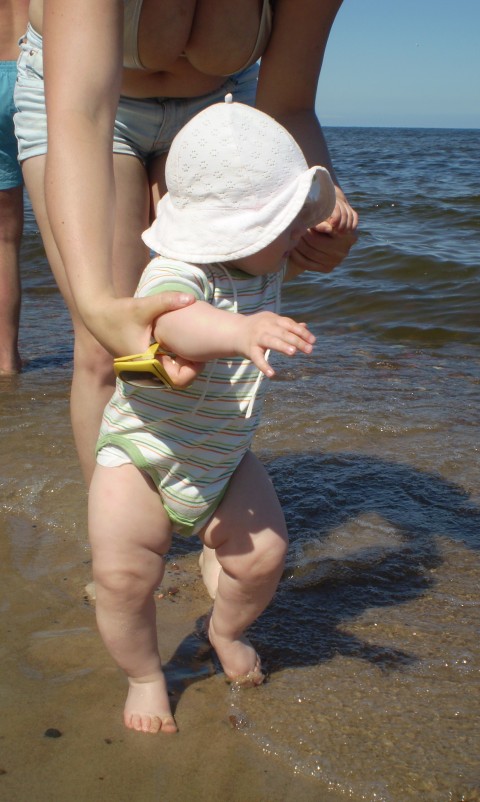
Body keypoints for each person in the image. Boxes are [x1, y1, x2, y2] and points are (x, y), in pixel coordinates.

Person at [13, 0, 358, 487]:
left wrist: (318, 207)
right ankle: (121, 544)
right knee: (107, 347)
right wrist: (96, 304)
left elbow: (290, 106)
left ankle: (199, 508)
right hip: (83, 102)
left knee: (219, 316)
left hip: (220, 112)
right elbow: (82, 111)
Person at [89, 96, 336, 734]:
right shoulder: (176, 270)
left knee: (264, 557)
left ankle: (224, 631)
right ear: (237, 232)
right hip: (142, 454)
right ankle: (145, 675)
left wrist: (327, 217)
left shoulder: (262, 260)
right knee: (122, 578)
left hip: (223, 456)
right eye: (285, 227)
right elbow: (174, 323)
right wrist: (240, 330)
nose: (294, 239)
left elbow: (297, 235)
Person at [0, 0, 28, 375]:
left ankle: (6, 360)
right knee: (74, 228)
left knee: (3, 239)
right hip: (35, 67)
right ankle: (99, 352)